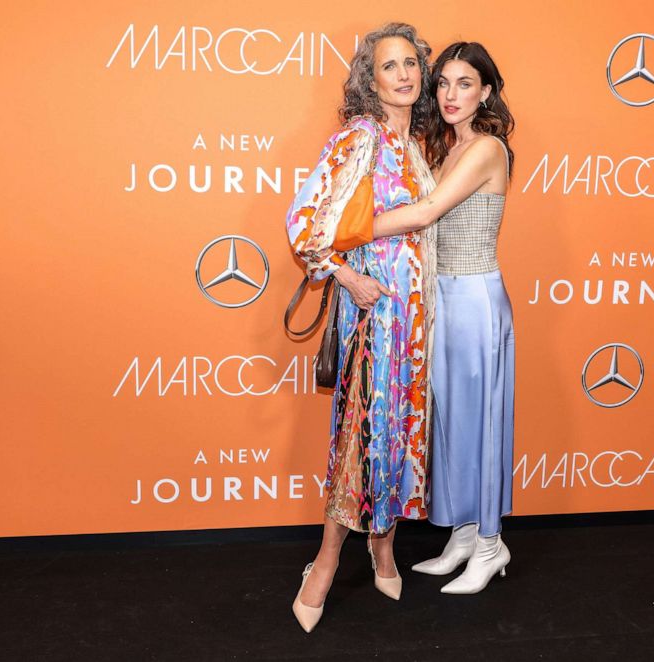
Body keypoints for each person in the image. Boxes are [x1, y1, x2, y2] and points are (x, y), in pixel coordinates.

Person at [284, 23, 436, 632]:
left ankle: (383, 546)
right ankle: (322, 565)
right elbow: (304, 224)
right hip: (374, 313)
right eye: (389, 66)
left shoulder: (418, 144)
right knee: (360, 434)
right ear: (369, 82)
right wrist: (346, 278)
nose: (403, 74)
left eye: (410, 64)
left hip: (417, 322)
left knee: (400, 430)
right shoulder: (360, 137)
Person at [372, 41, 515, 594]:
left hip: (476, 299)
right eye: (444, 83)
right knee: (450, 424)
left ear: (485, 92)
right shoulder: (442, 148)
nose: (451, 95)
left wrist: (348, 224)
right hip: (439, 300)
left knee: (480, 422)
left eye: (465, 84)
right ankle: (462, 533)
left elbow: (428, 213)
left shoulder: (487, 148)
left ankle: (490, 543)